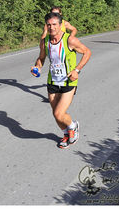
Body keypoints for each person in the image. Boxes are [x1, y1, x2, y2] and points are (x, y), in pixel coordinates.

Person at [31, 12, 91, 149]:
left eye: (54, 24)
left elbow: (87, 52)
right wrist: (37, 67)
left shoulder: (69, 40)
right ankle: (66, 134)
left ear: (60, 25)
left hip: (68, 81)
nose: (52, 27)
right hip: (52, 81)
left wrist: (77, 70)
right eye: (49, 25)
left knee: (59, 113)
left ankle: (73, 127)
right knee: (56, 114)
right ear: (46, 26)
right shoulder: (45, 41)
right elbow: (41, 58)